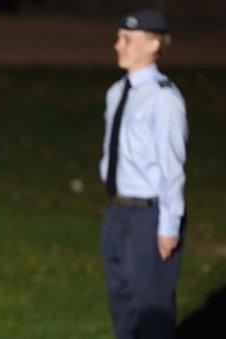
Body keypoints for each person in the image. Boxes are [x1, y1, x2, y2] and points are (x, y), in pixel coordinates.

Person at [99, 9, 188, 339]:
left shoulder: (164, 98)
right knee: (123, 308)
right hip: (118, 212)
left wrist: (169, 225)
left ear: (152, 44)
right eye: (119, 38)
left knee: (153, 311)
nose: (118, 45)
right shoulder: (116, 92)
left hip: (149, 218)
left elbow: (172, 166)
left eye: (127, 40)